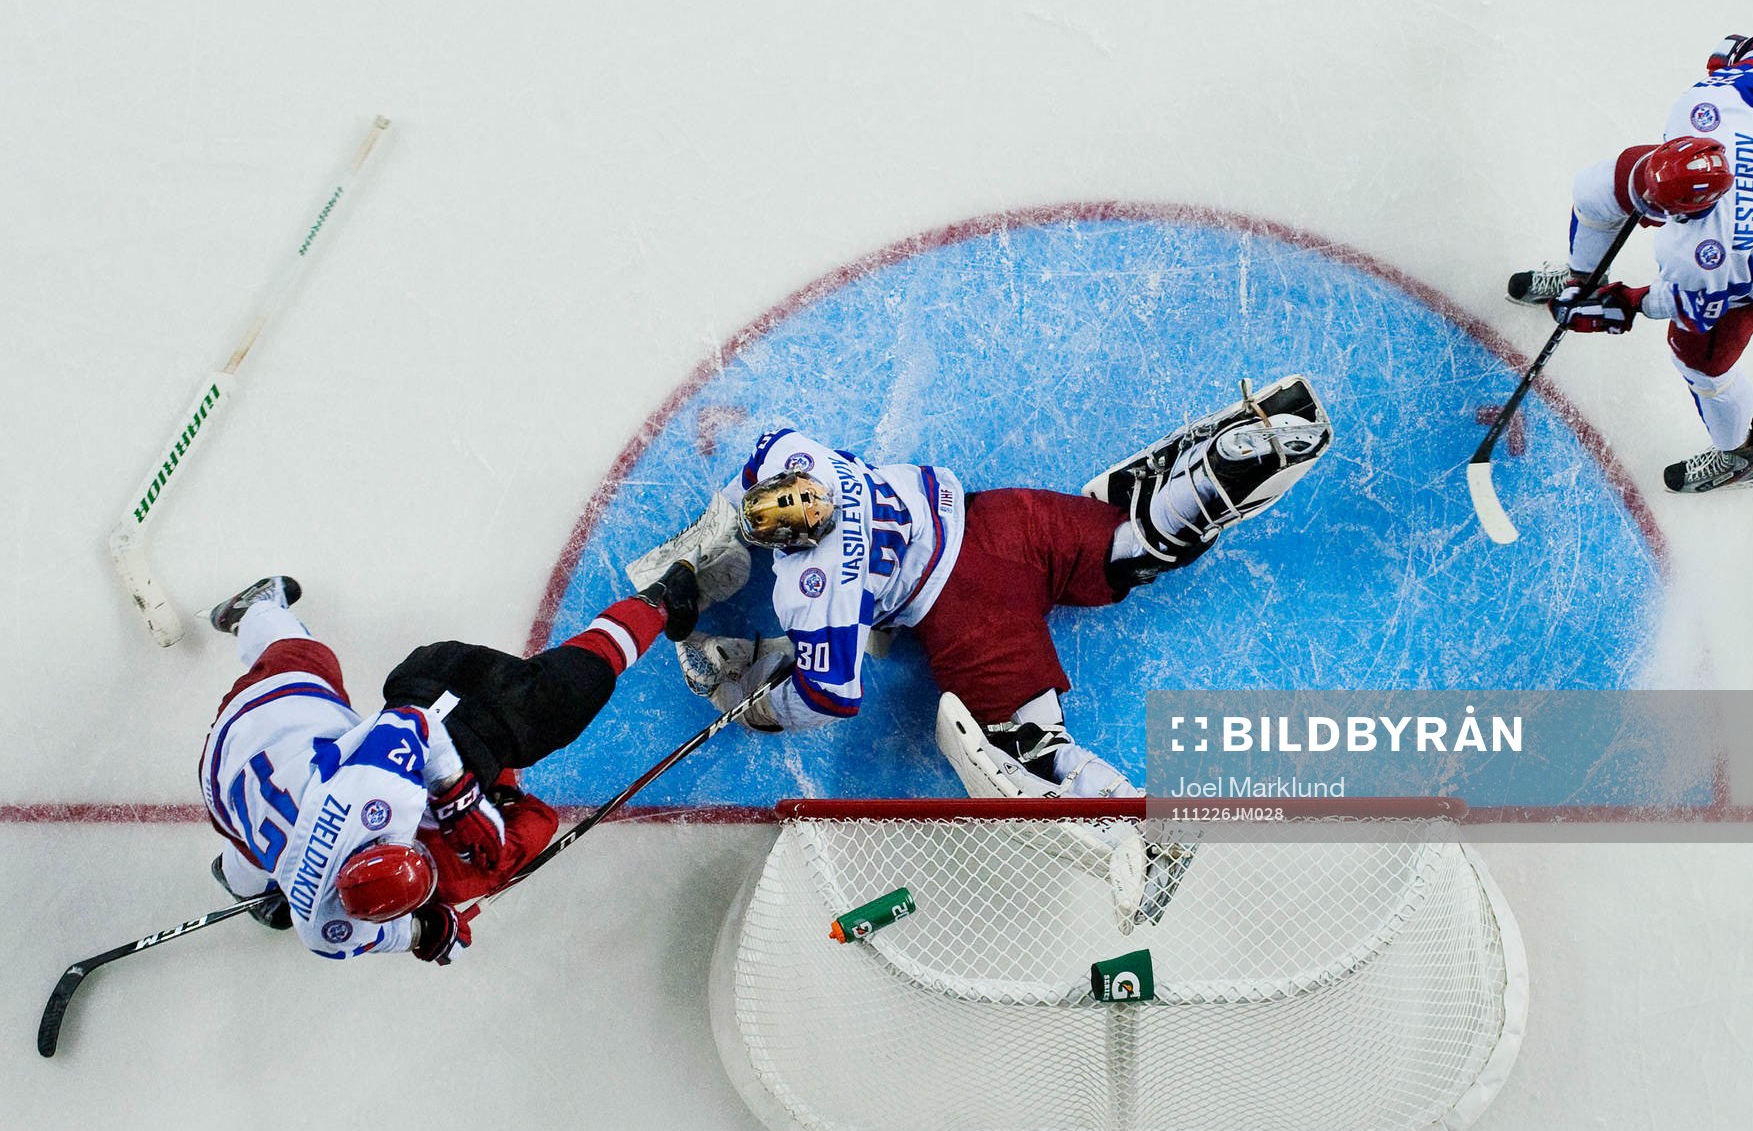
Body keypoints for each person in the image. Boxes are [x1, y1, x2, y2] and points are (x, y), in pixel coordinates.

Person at [646, 378, 1330, 802]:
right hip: (1003, 520)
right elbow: (753, 465)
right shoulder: (801, 457)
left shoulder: (811, 588)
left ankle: (1131, 819)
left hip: (970, 614)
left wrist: (753, 706)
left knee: (1030, 747)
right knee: (1130, 546)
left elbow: (829, 698)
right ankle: (1220, 469)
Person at [197, 563, 702, 964]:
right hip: (223, 778)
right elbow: (387, 933)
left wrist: (463, 796)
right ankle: (241, 878)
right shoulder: (326, 925)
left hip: (274, 716)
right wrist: (425, 931)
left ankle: (257, 607)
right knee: (258, 829)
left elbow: (419, 726)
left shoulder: (373, 813)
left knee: (304, 658)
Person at [1508, 33, 1753, 493]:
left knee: (1699, 363)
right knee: (1597, 191)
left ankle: (1740, 455)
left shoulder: (1707, 256)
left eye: (1661, 209)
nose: (1647, 207)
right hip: (1737, 190)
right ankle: (1582, 278)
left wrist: (1626, 303)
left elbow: (1690, 307)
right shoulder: (1713, 104)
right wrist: (1743, 53)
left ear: (1692, 212)